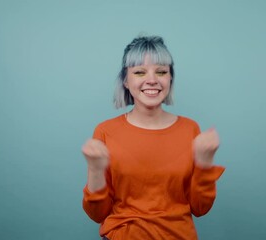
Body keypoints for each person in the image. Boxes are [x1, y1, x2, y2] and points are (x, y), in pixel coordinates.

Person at [82, 35, 225, 240]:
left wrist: (205, 164)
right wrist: (95, 169)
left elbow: (200, 208)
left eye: (161, 72)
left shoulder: (190, 129)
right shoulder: (105, 131)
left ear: (170, 78)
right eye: (139, 72)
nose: (152, 79)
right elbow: (97, 214)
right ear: (125, 80)